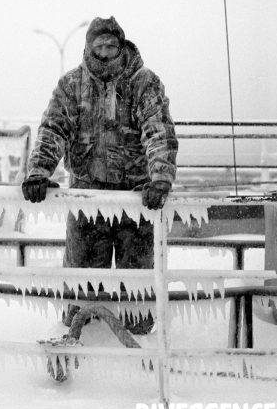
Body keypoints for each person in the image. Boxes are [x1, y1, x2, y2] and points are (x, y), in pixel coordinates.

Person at [22, 16, 178, 277]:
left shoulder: (144, 82)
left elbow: (158, 131)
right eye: (98, 47)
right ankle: (83, 316)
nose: (104, 53)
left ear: (121, 46)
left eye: (110, 46)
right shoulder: (71, 85)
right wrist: (39, 171)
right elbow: (53, 128)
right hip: (87, 195)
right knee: (83, 282)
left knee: (138, 284)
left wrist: (161, 178)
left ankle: (136, 318)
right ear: (88, 48)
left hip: (136, 197)